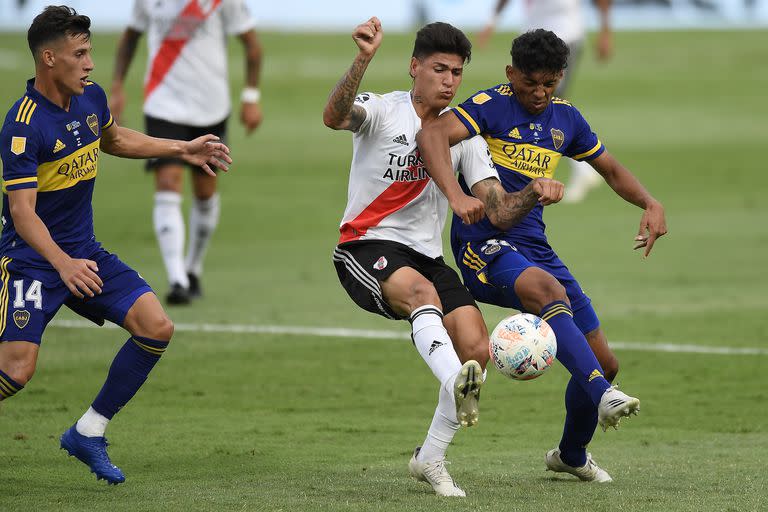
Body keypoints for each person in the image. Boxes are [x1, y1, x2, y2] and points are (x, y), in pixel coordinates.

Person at [323, 18, 565, 497]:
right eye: (439, 69)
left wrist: (532, 193)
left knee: (477, 348)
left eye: (456, 72)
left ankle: (430, 458)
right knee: (422, 294)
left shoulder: (466, 135)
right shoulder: (383, 110)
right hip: (365, 244)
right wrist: (363, 58)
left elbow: (495, 208)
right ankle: (455, 380)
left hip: (426, 256)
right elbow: (334, 116)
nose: (449, 81)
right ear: (415, 67)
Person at [417, 29, 667, 482]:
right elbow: (432, 133)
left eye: (549, 84)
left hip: (534, 247)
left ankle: (571, 454)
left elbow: (608, 168)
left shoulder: (566, 118)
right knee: (552, 300)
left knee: (605, 361)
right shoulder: (489, 106)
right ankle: (602, 394)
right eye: (530, 83)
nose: (539, 94)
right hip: (480, 244)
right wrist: (454, 195)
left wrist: (650, 203)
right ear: (511, 73)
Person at [0, 6, 231, 484]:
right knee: (15, 372)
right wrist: (61, 264)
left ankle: (88, 431)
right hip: (31, 263)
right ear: (48, 58)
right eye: (79, 54)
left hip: (82, 253)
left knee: (156, 326)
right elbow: (22, 215)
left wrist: (181, 148)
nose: (89, 64)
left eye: (90, 53)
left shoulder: (90, 99)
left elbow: (115, 138)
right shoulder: (23, 126)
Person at [110, 0, 263, 304]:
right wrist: (117, 87)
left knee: (205, 192)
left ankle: (193, 266)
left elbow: (253, 47)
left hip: (211, 107)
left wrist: (250, 98)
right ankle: (176, 278)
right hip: (163, 103)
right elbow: (130, 38)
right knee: (168, 182)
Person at [478, 0, 613, 203]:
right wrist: (492, 20)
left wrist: (605, 31)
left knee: (547, 102)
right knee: (543, 101)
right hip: (532, 41)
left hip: (565, 38)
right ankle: (575, 166)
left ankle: (577, 164)